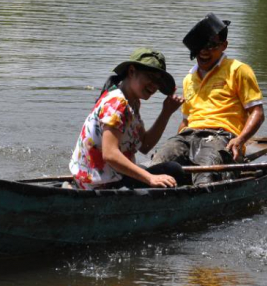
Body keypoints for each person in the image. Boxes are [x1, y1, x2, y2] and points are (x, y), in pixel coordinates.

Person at [151, 13, 265, 185]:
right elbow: (186, 121)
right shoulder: (189, 78)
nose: (204, 51)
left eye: (211, 45)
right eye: (200, 46)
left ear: (224, 46)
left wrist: (239, 140)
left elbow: (257, 112)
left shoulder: (238, 70)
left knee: (206, 175)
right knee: (158, 164)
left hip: (221, 136)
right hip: (189, 135)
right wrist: (177, 140)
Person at [69, 48, 189, 190]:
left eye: (158, 81)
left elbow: (145, 145)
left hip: (112, 177)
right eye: (150, 77)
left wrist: (166, 112)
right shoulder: (117, 103)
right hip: (100, 186)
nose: (154, 86)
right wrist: (150, 178)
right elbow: (110, 154)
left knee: (170, 169)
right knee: (174, 171)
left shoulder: (132, 102)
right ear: (131, 72)